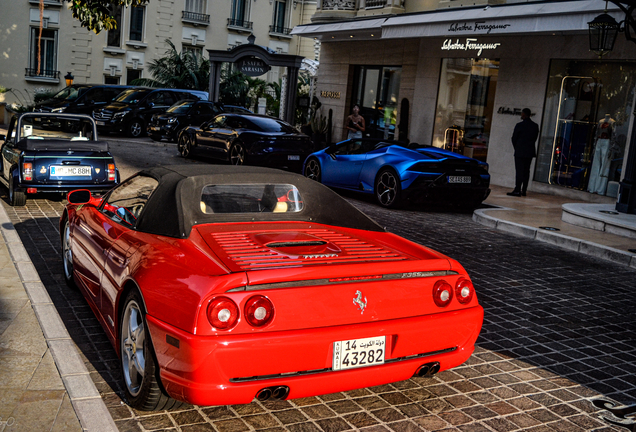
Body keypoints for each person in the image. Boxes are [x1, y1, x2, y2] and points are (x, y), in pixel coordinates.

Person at [508, 108, 539, 197]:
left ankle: (517, 189)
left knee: (519, 171)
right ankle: (523, 190)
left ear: (524, 114)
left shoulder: (519, 125)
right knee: (526, 171)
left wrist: (517, 148)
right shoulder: (535, 126)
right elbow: (534, 138)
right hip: (529, 151)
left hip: (520, 151)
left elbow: (514, 138)